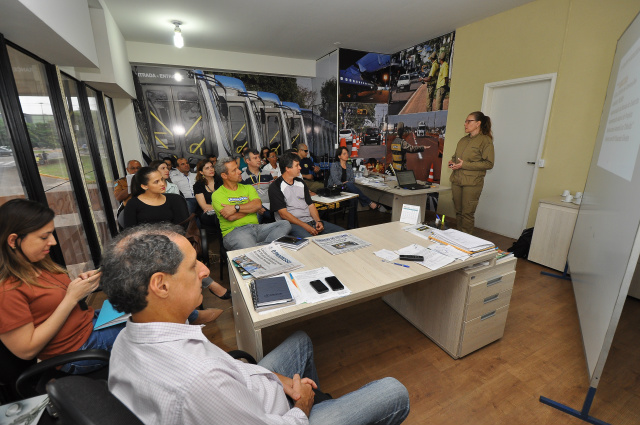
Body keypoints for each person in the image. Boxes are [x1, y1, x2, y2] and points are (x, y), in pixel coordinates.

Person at [101, 223, 410, 425]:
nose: (205, 271)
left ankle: (318, 405)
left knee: (300, 339)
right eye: (193, 265)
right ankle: (316, 410)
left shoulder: (130, 338)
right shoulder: (199, 380)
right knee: (395, 392)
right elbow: (213, 378)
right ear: (160, 285)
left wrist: (280, 379)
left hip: (254, 393)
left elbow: (232, 369)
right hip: (279, 417)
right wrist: (301, 406)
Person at [0, 199, 124, 374]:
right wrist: (71, 297)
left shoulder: (38, 263)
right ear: (13, 240)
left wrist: (79, 285)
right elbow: (26, 350)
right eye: (44, 237)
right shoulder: (7, 290)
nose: (53, 242)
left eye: (51, 234)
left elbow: (51, 303)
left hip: (90, 325)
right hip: (81, 348)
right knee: (155, 321)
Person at [123, 167, 226, 320]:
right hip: (147, 249)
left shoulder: (174, 199)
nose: (162, 184)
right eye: (156, 181)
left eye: (162, 180)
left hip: (173, 244)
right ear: (144, 186)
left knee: (178, 256)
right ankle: (206, 292)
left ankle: (190, 313)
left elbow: (182, 227)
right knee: (173, 262)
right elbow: (131, 234)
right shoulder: (133, 205)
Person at [212, 157, 291, 250]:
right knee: (251, 250)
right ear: (224, 176)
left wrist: (235, 208)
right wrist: (251, 208)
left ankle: (261, 248)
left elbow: (257, 205)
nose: (239, 171)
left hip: (257, 228)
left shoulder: (248, 188)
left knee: (285, 224)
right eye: (234, 170)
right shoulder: (217, 195)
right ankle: (264, 248)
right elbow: (231, 217)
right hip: (235, 232)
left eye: (237, 168)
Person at [269, 152, 344, 238]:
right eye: (297, 165)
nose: (300, 168)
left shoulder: (301, 183)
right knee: (310, 242)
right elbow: (283, 214)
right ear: (288, 169)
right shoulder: (275, 186)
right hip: (292, 225)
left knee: (343, 233)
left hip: (310, 221)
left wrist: (318, 221)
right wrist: (306, 226)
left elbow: (310, 205)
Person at [448, 111, 495, 234]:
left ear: (478, 123)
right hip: (457, 180)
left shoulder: (485, 141)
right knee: (458, 211)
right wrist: (452, 163)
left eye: (469, 121)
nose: (465, 124)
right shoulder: (463, 140)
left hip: (472, 183)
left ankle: (466, 240)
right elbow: (455, 157)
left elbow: (488, 164)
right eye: (465, 121)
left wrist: (465, 165)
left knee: (467, 213)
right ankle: (458, 235)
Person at [328, 147, 385, 228]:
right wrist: (344, 184)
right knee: (349, 185)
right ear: (339, 156)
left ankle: (351, 227)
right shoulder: (335, 165)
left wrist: (347, 183)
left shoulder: (349, 166)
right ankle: (369, 202)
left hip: (346, 190)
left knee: (354, 199)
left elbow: (352, 180)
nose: (347, 155)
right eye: (344, 154)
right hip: (335, 189)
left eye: (347, 153)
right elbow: (335, 180)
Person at [241, 149, 275, 223]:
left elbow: (274, 191)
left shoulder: (267, 173)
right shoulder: (243, 177)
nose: (259, 160)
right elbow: (244, 197)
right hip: (254, 207)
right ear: (247, 161)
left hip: (270, 206)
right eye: (255, 158)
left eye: (259, 157)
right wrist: (257, 208)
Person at [193, 159, 221, 229]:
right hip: (207, 214)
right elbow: (204, 207)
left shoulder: (221, 180)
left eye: (212, 167)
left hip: (222, 210)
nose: (211, 169)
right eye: (207, 168)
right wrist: (223, 207)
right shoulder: (198, 185)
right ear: (201, 172)